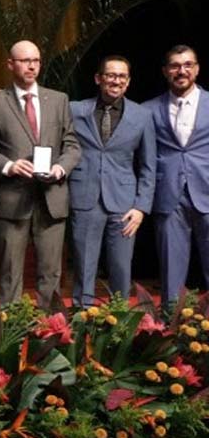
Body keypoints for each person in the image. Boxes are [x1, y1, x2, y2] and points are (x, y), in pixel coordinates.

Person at [0, 40, 81, 307]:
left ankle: (50, 334)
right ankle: (10, 336)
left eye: (36, 61)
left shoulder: (59, 100)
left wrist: (61, 167)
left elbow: (72, 145)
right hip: (12, 199)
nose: (31, 66)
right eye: (25, 61)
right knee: (9, 273)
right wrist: (9, 166)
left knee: (51, 273)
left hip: (52, 198)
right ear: (10, 64)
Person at [69, 56, 155, 307]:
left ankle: (119, 321)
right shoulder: (76, 110)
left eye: (122, 77)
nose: (116, 81)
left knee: (120, 268)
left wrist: (141, 207)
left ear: (127, 83)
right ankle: (80, 318)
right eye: (111, 75)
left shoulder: (142, 115)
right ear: (99, 78)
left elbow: (149, 166)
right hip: (85, 198)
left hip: (125, 205)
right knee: (84, 266)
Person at [144, 45, 209, 307]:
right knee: (171, 273)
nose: (181, 71)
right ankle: (170, 333)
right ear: (165, 71)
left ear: (196, 69)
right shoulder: (148, 109)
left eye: (187, 65)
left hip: (207, 192)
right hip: (168, 196)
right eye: (175, 66)